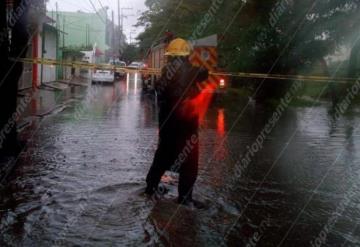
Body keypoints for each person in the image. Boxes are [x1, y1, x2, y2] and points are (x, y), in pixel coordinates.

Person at [145, 38, 209, 205]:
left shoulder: (165, 71)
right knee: (189, 162)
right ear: (187, 55)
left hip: (167, 125)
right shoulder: (192, 70)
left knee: (162, 157)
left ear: (170, 56)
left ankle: (150, 189)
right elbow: (205, 73)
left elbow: (157, 90)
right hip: (186, 126)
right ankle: (185, 198)